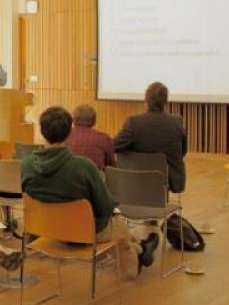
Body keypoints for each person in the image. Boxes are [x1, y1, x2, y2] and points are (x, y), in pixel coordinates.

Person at [22, 107, 154, 278]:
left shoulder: (25, 165)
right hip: (86, 232)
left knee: (120, 230)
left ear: (41, 130)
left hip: (46, 229)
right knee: (120, 226)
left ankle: (140, 246)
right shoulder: (83, 166)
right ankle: (136, 258)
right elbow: (105, 206)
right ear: (69, 131)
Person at [114, 82, 188, 193]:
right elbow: (182, 151)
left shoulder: (134, 123)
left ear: (146, 101)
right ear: (165, 102)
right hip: (169, 181)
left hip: (137, 179)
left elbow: (115, 146)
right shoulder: (177, 122)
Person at [65, 104, 114, 170]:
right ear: (94, 121)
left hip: (67, 177)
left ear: (73, 119)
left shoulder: (63, 135)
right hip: (94, 178)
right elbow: (110, 166)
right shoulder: (104, 138)